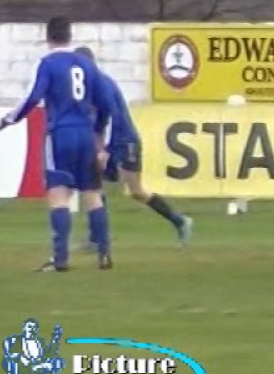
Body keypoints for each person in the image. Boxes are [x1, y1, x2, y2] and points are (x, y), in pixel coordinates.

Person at [0, 17, 117, 271]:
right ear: (70, 36)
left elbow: (33, 96)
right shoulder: (87, 64)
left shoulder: (47, 63)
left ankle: (60, 259)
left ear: (48, 36)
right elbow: (105, 105)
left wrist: (7, 120)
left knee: (58, 193)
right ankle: (104, 254)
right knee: (91, 193)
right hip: (85, 133)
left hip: (60, 133)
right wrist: (97, 134)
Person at [74, 47, 192, 247]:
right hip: (111, 142)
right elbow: (98, 122)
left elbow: (114, 118)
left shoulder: (102, 84)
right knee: (93, 183)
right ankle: (97, 237)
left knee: (136, 191)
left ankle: (180, 221)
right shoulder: (88, 85)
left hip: (125, 140)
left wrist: (106, 150)